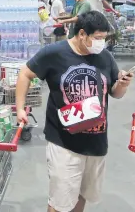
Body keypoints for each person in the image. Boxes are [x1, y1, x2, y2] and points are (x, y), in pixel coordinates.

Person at [16, 11, 132, 212]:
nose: (101, 43)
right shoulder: (54, 53)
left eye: (104, 38)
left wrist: (123, 84)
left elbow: (115, 93)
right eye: (97, 38)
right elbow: (25, 73)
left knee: (81, 196)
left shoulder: (105, 57)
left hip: (96, 142)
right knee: (60, 202)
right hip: (63, 141)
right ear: (81, 34)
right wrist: (20, 108)